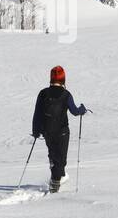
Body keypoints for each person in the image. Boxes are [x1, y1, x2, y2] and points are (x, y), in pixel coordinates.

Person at [31, 65, 88, 193]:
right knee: (61, 160)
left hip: (47, 131)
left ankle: (55, 173)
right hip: (62, 132)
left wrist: (36, 131)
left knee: (54, 155)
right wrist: (82, 109)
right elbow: (74, 111)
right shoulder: (66, 94)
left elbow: (37, 113)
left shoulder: (43, 93)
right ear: (63, 79)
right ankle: (55, 183)